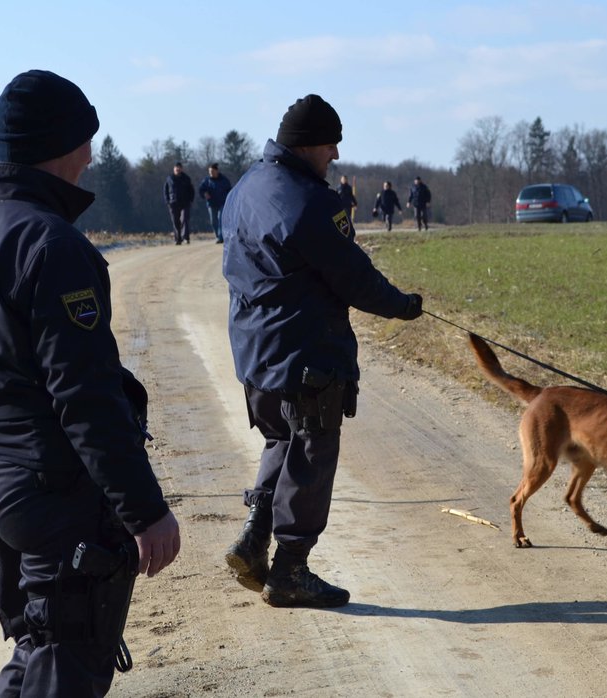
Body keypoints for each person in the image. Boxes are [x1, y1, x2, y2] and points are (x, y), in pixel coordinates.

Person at [0, 69, 181, 697]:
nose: (92, 155)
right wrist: (145, 512)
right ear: (65, 144)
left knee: (40, 648)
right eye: (87, 138)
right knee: (65, 663)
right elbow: (87, 399)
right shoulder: (52, 246)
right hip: (55, 497)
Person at [221, 94, 423, 609]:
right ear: (309, 144)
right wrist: (403, 307)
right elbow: (353, 277)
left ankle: (252, 537)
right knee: (310, 453)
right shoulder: (310, 202)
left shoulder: (246, 187)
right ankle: (290, 569)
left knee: (280, 440)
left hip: (254, 350)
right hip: (306, 353)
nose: (334, 154)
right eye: (331, 143)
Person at [198, 162, 232, 243]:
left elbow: (230, 190)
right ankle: (218, 235)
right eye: (210, 172)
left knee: (220, 219)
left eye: (212, 171)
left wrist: (228, 199)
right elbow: (201, 189)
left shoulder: (224, 180)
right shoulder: (206, 181)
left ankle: (221, 237)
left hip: (222, 203)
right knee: (213, 221)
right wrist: (204, 194)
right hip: (211, 203)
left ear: (217, 171)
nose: (211, 173)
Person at [163, 161, 195, 245]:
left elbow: (191, 190)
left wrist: (191, 199)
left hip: (185, 202)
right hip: (173, 203)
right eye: (176, 167)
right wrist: (167, 201)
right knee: (175, 221)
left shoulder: (186, 178)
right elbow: (165, 190)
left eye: (179, 167)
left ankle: (185, 237)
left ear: (182, 169)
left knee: (184, 219)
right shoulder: (169, 178)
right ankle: (178, 239)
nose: (178, 169)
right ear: (174, 169)